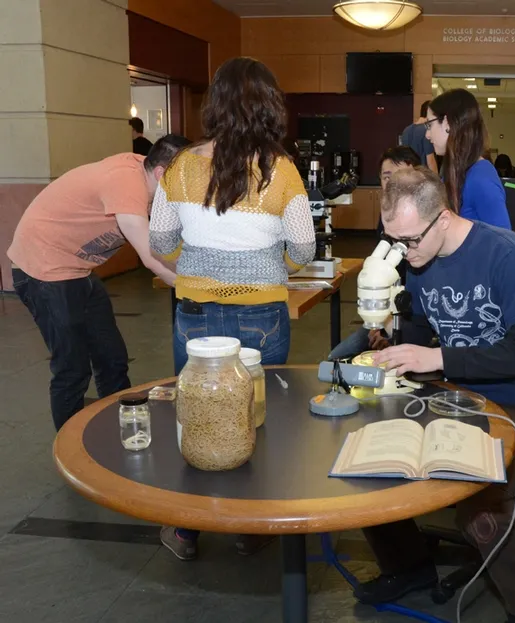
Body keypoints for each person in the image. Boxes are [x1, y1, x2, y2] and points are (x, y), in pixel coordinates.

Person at [356, 167, 515, 623]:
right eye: (393, 241)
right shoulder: (417, 258)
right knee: (367, 463)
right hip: (450, 391)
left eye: (409, 240)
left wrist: (436, 358)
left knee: (479, 515)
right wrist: (396, 340)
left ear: (442, 218)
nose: (402, 252)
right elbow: (426, 330)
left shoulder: (508, 256)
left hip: (514, 399)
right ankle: (409, 566)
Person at [149, 57, 315, 560]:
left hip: (195, 309)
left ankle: (186, 529)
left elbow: (159, 241)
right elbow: (304, 249)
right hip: (261, 312)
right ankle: (254, 526)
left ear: (214, 105)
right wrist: (272, 260)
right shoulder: (280, 170)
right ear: (269, 105)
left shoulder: (179, 167)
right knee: (256, 413)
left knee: (197, 411)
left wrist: (198, 260)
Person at [9, 135, 190, 431]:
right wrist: (199, 288)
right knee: (72, 368)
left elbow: (173, 241)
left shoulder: (148, 180)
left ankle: (122, 430)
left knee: (112, 358)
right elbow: (152, 258)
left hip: (77, 270)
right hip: (43, 270)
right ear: (162, 173)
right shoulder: (126, 185)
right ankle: (72, 455)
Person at [328, 145, 420, 361]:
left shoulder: (422, 224)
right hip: (386, 314)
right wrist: (378, 324)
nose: (393, 183)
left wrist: (390, 330)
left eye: (401, 176)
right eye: (387, 177)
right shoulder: (386, 217)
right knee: (335, 359)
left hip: (415, 320)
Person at [425, 89, 511, 229]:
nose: (427, 135)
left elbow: (503, 242)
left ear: (447, 123)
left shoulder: (480, 176)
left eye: (429, 125)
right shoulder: (452, 171)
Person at [401, 101, 437, 172]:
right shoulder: (427, 131)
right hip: (423, 176)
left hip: (409, 174)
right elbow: (430, 161)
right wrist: (437, 181)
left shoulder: (406, 130)